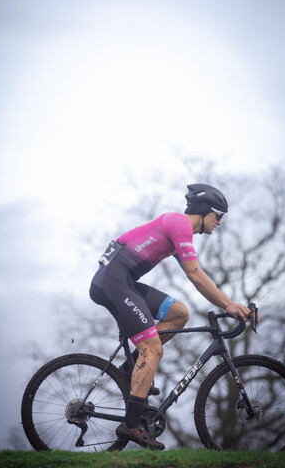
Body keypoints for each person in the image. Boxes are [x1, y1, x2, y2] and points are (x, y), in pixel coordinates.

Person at [89, 183, 251, 450]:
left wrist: (228, 303)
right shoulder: (178, 223)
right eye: (219, 216)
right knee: (151, 349)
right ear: (205, 212)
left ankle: (131, 370)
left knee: (179, 314)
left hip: (120, 280)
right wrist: (230, 305)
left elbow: (198, 274)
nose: (219, 223)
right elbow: (195, 274)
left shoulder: (179, 232)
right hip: (114, 282)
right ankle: (131, 424)